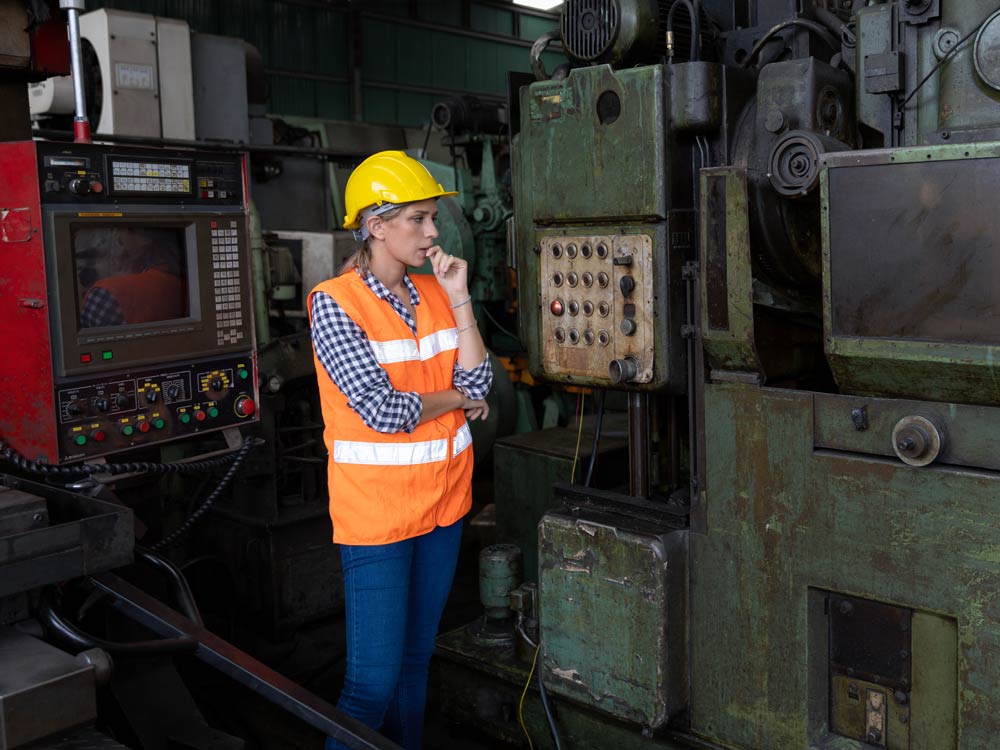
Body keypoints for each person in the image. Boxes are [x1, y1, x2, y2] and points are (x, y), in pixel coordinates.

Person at [307, 150, 494, 750]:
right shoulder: (334, 303)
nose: (433, 231)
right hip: (379, 520)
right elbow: (386, 411)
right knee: (371, 685)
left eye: (432, 218)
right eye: (418, 219)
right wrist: (455, 398)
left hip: (443, 508)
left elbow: (482, 382)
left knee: (416, 665)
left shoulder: (436, 291)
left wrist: (460, 295)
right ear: (375, 225)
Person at [79, 227, 186, 328]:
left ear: (143, 237)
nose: (118, 238)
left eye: (120, 235)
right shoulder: (184, 284)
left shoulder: (103, 295)